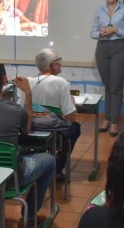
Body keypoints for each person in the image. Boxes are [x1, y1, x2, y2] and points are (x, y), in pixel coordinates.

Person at [0, 60, 55, 227]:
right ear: (5, 80)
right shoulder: (15, 111)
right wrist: (28, 93)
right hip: (11, 179)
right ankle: (29, 217)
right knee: (49, 161)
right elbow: (27, 129)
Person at [17, 49, 80, 181]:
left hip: (29, 134)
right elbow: (70, 119)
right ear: (53, 65)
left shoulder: (27, 82)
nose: (61, 63)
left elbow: (20, 111)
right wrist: (73, 105)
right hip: (53, 136)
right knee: (76, 128)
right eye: (59, 61)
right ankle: (57, 169)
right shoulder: (60, 82)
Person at [90, 0, 124, 136]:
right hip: (102, 47)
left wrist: (116, 29)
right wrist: (100, 33)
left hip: (119, 47)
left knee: (116, 86)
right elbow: (92, 32)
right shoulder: (99, 10)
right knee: (108, 86)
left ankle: (115, 123)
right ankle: (107, 119)